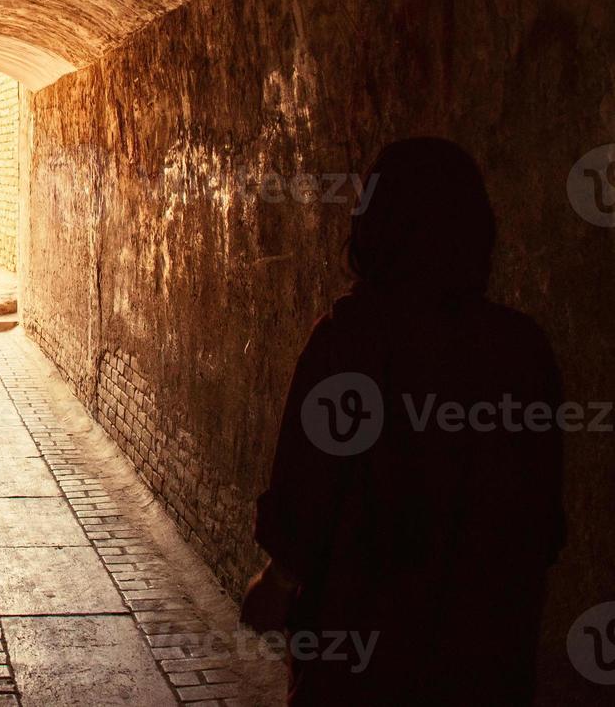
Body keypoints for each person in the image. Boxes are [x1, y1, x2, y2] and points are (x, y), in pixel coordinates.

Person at [240, 138, 566, 705]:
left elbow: (309, 491)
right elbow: (539, 512)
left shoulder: (349, 342)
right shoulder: (522, 349)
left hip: (364, 657)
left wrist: (277, 583)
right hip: (485, 654)